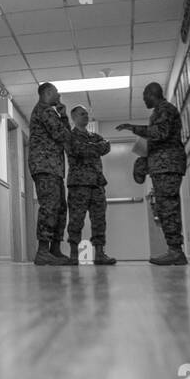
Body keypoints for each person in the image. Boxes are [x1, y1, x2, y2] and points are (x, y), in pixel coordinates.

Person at [117, 82, 187, 265]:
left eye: (144, 97)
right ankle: (174, 250)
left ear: (151, 94)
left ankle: (176, 251)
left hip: (168, 165)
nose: (144, 100)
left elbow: (160, 133)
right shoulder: (159, 111)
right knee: (165, 208)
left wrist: (133, 128)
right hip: (163, 166)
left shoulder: (165, 109)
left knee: (168, 208)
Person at [64, 106, 116, 265]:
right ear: (73, 117)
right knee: (76, 220)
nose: (85, 116)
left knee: (99, 220)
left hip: (97, 184)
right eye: (82, 114)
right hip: (79, 185)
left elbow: (107, 146)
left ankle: (100, 254)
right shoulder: (70, 136)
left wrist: (91, 147)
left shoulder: (94, 136)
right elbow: (78, 149)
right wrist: (95, 148)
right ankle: (74, 254)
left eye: (86, 113)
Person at [27, 82, 71, 265]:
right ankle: (43, 251)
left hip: (53, 167)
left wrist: (62, 116)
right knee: (50, 207)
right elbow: (64, 135)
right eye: (56, 93)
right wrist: (64, 115)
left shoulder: (48, 111)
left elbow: (63, 135)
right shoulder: (45, 111)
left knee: (60, 208)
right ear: (48, 92)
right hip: (45, 166)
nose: (59, 96)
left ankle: (54, 249)